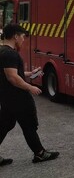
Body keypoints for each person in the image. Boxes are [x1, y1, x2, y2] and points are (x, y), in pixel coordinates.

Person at [0, 24, 60, 165]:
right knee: (28, 124)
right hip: (18, 98)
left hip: (7, 97)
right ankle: (39, 153)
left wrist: (30, 74)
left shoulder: (2, 51)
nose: (23, 40)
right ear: (15, 36)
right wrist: (29, 87)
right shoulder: (10, 53)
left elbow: (13, 73)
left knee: (5, 124)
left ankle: (39, 152)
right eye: (22, 36)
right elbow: (12, 77)